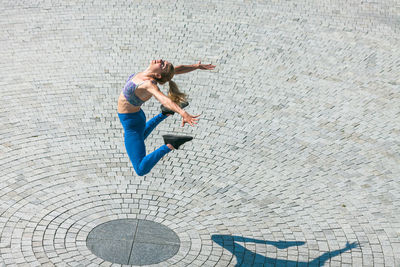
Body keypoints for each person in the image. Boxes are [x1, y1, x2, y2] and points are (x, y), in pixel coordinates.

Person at [117, 59, 216, 176]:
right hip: (135, 118)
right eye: (163, 61)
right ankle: (165, 113)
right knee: (139, 137)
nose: (160, 60)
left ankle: (170, 144)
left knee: (140, 169)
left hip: (132, 123)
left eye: (162, 64)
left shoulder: (148, 84)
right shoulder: (145, 74)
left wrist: (183, 113)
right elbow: (177, 69)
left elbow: (164, 99)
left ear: (158, 74)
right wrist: (196, 66)